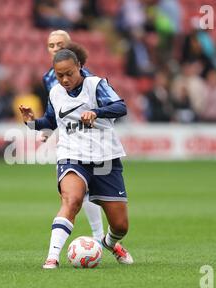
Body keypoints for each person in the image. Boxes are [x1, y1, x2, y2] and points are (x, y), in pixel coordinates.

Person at [19, 49, 134, 269]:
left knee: (120, 226)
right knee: (71, 200)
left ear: (79, 66)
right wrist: (33, 122)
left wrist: (96, 112)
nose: (64, 80)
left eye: (69, 74)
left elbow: (121, 107)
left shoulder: (96, 85)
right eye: (59, 75)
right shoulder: (55, 92)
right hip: (72, 155)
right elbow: (52, 122)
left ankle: (107, 242)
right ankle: (52, 257)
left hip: (105, 158)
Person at [43, 30, 105, 244]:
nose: (56, 49)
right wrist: (46, 129)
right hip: (67, 138)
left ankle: (98, 235)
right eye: (51, 45)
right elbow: (54, 112)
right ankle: (94, 237)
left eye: (60, 44)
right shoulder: (48, 78)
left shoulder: (86, 76)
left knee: (85, 190)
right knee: (71, 194)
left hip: (90, 138)